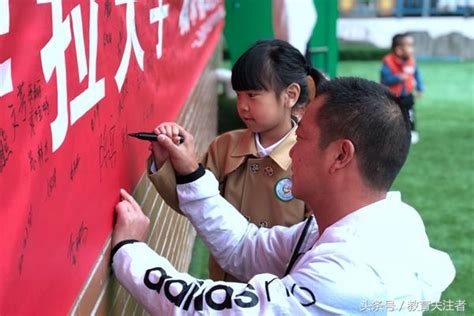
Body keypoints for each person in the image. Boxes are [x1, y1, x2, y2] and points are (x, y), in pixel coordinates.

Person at [111, 77, 455, 315]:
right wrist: (190, 172)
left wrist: (129, 251)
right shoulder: (378, 221)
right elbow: (246, 246)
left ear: (340, 155)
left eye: (301, 138)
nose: (291, 153)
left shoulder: (350, 275)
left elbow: (206, 308)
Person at [148, 39, 327, 282]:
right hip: (227, 291)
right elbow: (195, 206)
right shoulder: (224, 147)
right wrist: (166, 165)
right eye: (238, 95)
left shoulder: (312, 157)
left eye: (253, 95)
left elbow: (316, 238)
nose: (242, 106)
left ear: (290, 95)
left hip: (283, 294)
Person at [381, 32, 424, 144]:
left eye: (412, 45)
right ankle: (391, 134)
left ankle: (412, 132)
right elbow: (385, 79)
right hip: (392, 96)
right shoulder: (388, 62)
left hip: (407, 95)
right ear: (399, 49)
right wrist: (398, 78)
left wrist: (420, 87)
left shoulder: (411, 61)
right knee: (391, 115)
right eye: (409, 46)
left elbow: (417, 74)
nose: (412, 49)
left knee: (410, 114)